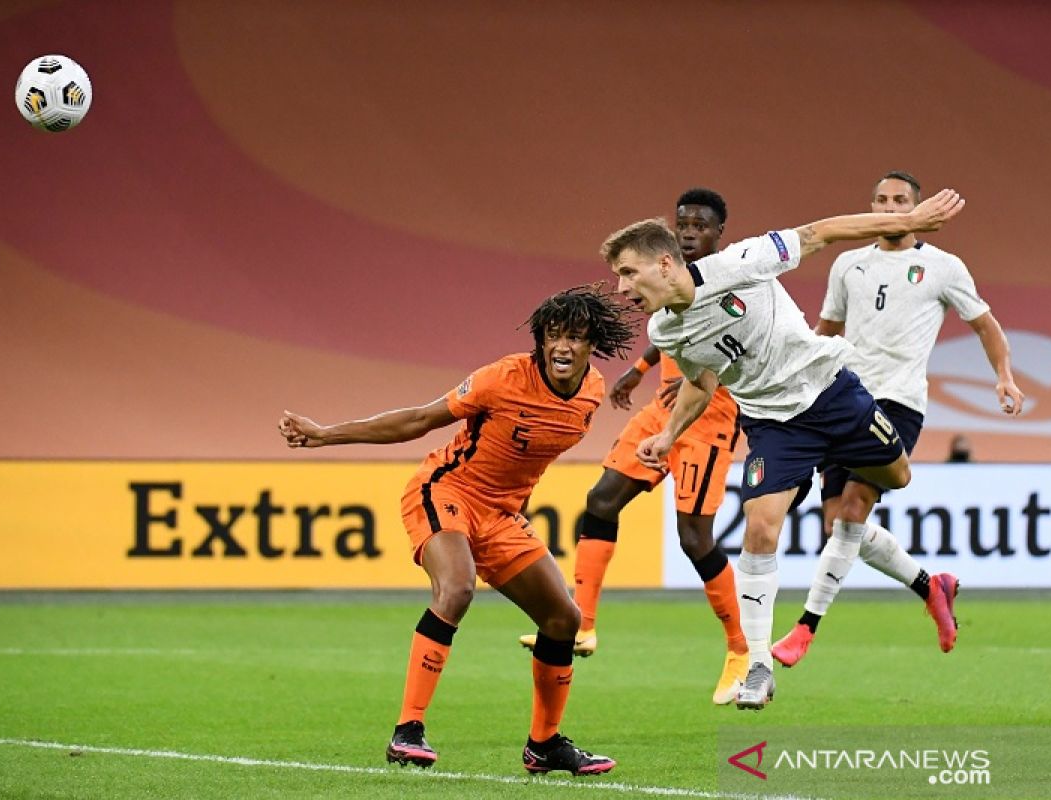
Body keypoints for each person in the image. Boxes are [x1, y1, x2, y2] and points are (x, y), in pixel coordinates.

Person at [600, 187, 965, 710]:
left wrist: (909, 220)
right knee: (760, 526)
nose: (622, 287)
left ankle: (930, 582)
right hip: (774, 425)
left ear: (664, 264)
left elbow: (819, 232)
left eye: (629, 273)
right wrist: (668, 434)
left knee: (898, 478)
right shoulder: (666, 328)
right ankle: (757, 666)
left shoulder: (739, 263)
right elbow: (702, 383)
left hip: (831, 392)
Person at [278, 285, 638, 775]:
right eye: (553, 335)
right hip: (445, 491)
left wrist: (513, 511)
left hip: (500, 515)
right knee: (457, 588)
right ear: (540, 340)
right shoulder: (503, 378)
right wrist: (326, 434)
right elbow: (421, 420)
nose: (562, 346)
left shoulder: (592, 392)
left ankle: (545, 745)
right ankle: (408, 731)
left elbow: (524, 456)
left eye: (574, 337)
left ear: (590, 342)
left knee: (563, 620)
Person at [772, 172, 1023, 667]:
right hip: (841, 397)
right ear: (871, 206)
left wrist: (1005, 376)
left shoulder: (943, 268)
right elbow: (828, 328)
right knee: (837, 528)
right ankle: (933, 587)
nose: (891, 208)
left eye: (901, 201)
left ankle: (805, 627)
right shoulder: (849, 264)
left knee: (854, 509)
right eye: (883, 201)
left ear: (918, 207)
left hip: (898, 402)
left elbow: (985, 325)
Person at [519, 189, 749, 705]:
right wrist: (639, 371)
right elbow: (667, 330)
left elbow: (730, 346)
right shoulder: (668, 279)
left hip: (709, 417)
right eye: (683, 222)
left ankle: (741, 649)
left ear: (719, 234)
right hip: (663, 408)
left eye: (701, 225)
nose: (690, 231)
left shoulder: (731, 281)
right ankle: (583, 624)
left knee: (694, 537)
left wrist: (703, 380)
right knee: (600, 501)